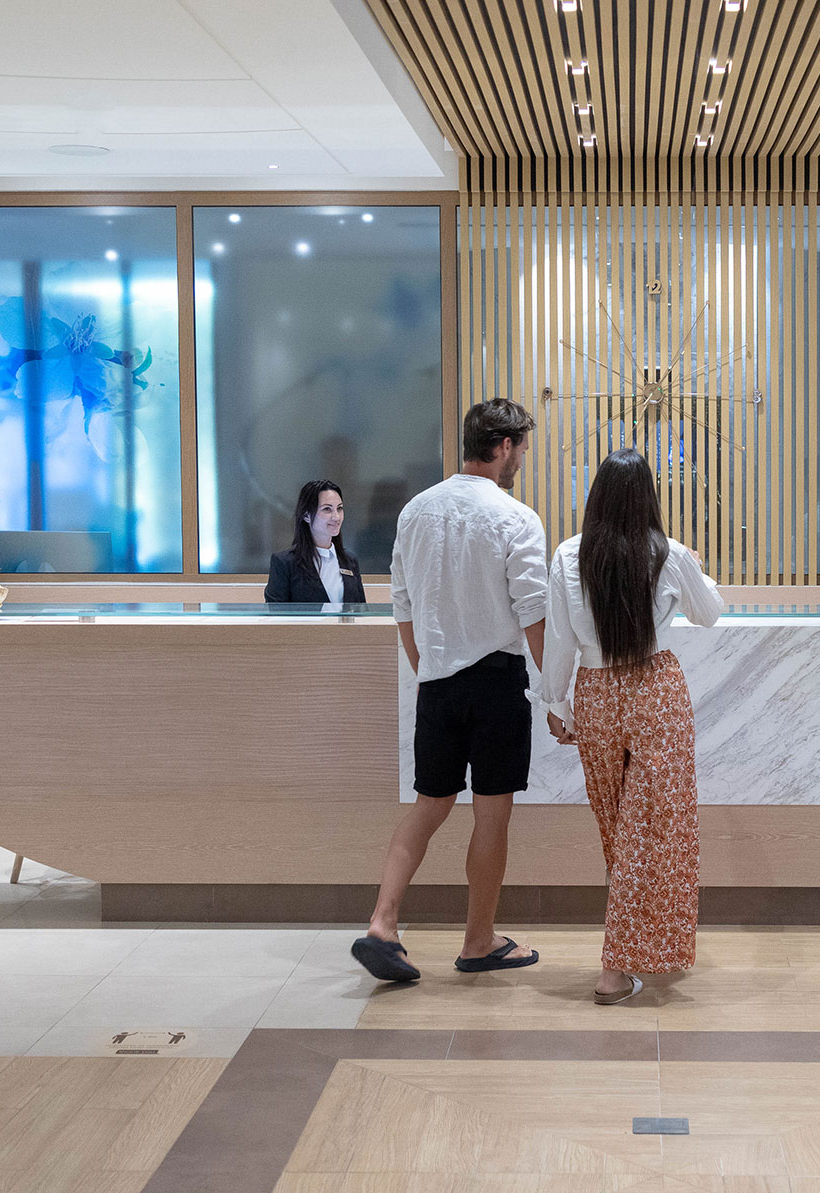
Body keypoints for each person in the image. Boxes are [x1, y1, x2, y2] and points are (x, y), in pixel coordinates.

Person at [350, 399, 547, 983]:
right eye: (522, 449)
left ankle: (381, 926)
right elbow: (533, 614)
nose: (521, 462)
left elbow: (402, 604)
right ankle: (478, 941)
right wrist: (558, 695)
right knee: (491, 818)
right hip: (496, 684)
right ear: (505, 446)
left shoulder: (416, 510)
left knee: (429, 805)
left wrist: (427, 668)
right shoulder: (517, 517)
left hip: (437, 683)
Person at [539, 447, 723, 1005]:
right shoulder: (667, 555)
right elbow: (709, 614)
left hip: (595, 694)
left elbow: (560, 643)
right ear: (648, 496)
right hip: (655, 691)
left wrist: (556, 704)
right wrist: (693, 562)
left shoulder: (569, 555)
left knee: (619, 829)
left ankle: (632, 951)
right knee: (654, 830)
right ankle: (618, 966)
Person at [264, 480, 365, 604]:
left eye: (339, 508)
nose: (336, 517)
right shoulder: (285, 563)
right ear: (306, 515)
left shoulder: (350, 560)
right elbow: (275, 616)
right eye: (327, 509)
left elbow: (361, 613)